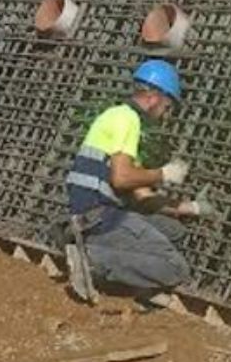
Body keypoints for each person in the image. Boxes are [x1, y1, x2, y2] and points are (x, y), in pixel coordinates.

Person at [63, 60, 209, 302]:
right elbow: (121, 179)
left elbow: (142, 195)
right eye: (168, 105)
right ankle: (92, 260)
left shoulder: (120, 120)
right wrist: (164, 174)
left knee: (174, 231)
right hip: (98, 215)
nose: (166, 113)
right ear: (154, 98)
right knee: (175, 267)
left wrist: (191, 208)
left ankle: (88, 247)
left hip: (95, 213)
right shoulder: (126, 119)